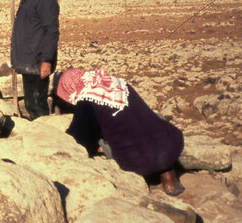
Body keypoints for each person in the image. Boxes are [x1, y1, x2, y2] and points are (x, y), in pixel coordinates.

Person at [54, 67, 185, 196]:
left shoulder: (86, 100)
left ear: (72, 88)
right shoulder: (117, 83)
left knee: (99, 140)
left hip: (138, 159)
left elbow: (80, 138)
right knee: (151, 120)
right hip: (172, 145)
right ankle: (168, 175)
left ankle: (147, 171)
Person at [10, 0, 60, 118]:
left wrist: (46, 60)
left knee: (38, 105)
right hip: (29, 61)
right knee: (31, 104)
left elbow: (51, 31)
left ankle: (45, 139)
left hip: (38, 61)